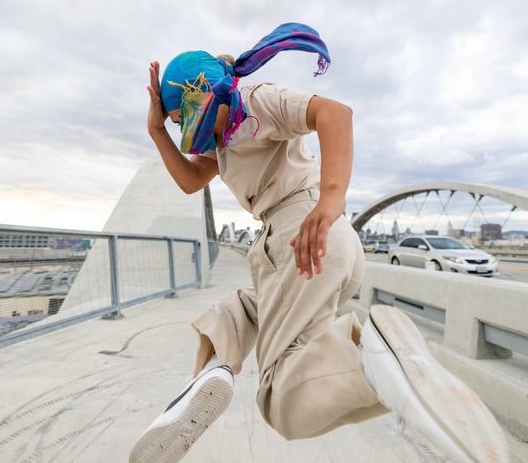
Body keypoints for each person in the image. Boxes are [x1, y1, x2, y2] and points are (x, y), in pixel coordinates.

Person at [131, 23, 508, 463]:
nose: (180, 128)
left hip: (303, 232)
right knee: (245, 307)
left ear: (197, 95)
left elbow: (334, 113)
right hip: (299, 244)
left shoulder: (254, 100)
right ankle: (215, 371)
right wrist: (156, 132)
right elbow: (192, 180)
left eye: (178, 118)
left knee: (281, 403)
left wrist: (330, 198)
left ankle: (375, 366)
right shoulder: (224, 137)